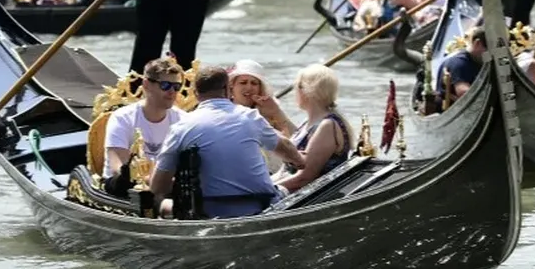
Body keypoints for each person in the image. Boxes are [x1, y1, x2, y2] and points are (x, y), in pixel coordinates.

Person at [150, 66, 304, 219]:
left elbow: (157, 186)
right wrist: (299, 161)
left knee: (161, 203)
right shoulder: (250, 117)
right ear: (228, 90)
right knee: (291, 188)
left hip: (207, 212)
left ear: (196, 94)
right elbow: (286, 148)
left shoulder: (180, 128)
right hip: (259, 207)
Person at [102, 57, 186, 196]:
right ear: (146, 85)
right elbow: (119, 169)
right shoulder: (122, 118)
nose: (172, 92)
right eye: (165, 85)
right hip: (123, 188)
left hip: (166, 187)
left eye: (177, 86)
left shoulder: (183, 120)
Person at [272, 64, 354, 195]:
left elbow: (304, 177)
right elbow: (284, 171)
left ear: (304, 90)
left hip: (310, 199)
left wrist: (263, 190)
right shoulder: (308, 123)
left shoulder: (327, 126)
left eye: (297, 87)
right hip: (290, 192)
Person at [433, 26, 488, 110]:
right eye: (488, 50)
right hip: (452, 111)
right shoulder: (459, 63)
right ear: (477, 43)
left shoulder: (477, 61)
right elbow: (464, 93)